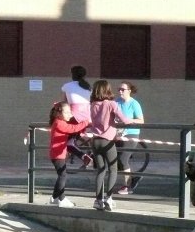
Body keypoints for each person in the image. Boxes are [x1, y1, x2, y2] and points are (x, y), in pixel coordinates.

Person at [89, 80, 134, 211]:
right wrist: (132, 120)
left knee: (101, 170)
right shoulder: (111, 104)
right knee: (113, 169)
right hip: (107, 141)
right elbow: (124, 120)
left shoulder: (93, 104)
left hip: (95, 140)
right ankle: (109, 198)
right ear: (107, 90)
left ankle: (98, 200)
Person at [48, 101, 90, 208]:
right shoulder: (59, 123)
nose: (69, 115)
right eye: (67, 112)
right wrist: (86, 122)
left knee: (61, 175)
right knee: (63, 175)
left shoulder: (59, 122)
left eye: (69, 112)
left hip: (58, 154)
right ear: (59, 114)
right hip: (57, 155)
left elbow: (72, 129)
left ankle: (54, 197)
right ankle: (61, 198)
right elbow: (73, 129)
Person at [115, 81, 145, 195]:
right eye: (119, 89)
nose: (120, 92)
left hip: (131, 134)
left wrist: (128, 121)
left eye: (123, 89)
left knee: (123, 159)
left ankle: (127, 186)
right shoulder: (116, 102)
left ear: (129, 91)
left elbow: (141, 121)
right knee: (115, 160)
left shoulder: (134, 103)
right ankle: (133, 179)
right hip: (118, 134)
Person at [61, 65, 93, 168]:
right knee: (72, 141)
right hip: (87, 118)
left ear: (72, 74)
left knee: (66, 143)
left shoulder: (67, 86)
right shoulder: (88, 87)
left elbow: (65, 103)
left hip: (74, 118)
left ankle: (83, 156)